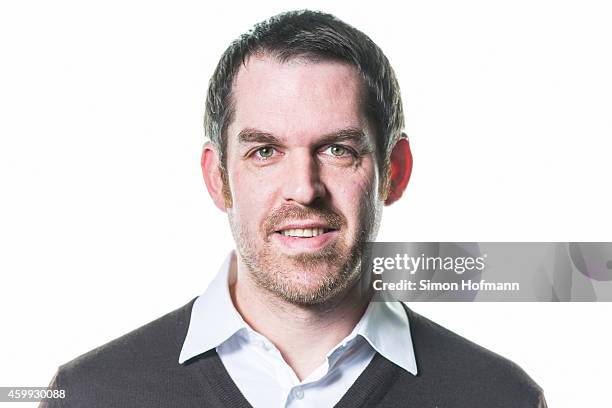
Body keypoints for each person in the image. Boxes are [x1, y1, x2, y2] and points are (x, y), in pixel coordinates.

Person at [41, 10, 547, 408]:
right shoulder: (89, 396)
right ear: (217, 178)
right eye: (265, 151)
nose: (304, 190)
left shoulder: (502, 398)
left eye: (338, 150)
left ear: (395, 171)